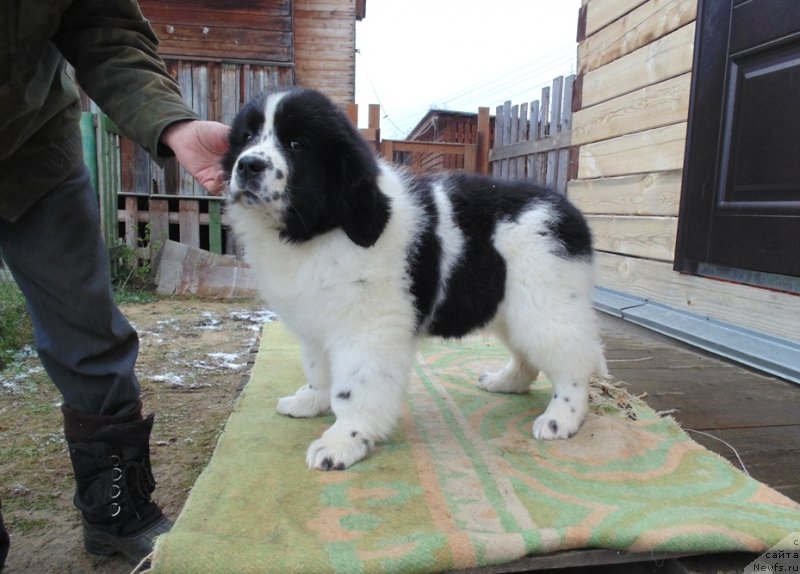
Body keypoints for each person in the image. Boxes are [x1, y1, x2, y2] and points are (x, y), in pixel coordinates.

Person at [0, 0, 230, 567]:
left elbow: (103, 27)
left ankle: (118, 513)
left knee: (89, 330)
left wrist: (172, 121)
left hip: (34, 149)